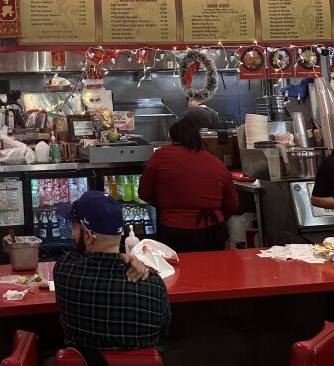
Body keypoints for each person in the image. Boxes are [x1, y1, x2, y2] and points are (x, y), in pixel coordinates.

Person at [53, 191, 170, 366]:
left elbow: (74, 256)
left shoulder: (65, 271)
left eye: (75, 227)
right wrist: (131, 259)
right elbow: (163, 333)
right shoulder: (154, 286)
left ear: (87, 236)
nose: (72, 233)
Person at [138, 107, 238, 252]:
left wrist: (163, 205)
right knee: (213, 271)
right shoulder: (216, 162)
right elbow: (232, 205)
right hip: (213, 231)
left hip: (174, 231)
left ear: (173, 137)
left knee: (178, 272)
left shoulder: (162, 155)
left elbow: (144, 192)